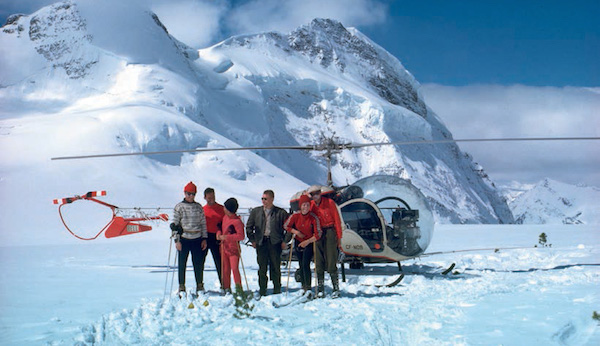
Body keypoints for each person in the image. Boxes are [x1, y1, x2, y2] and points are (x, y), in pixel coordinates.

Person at [246, 190, 290, 296]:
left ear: (272, 199)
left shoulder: (281, 212)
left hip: (275, 242)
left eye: (265, 199)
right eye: (262, 198)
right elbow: (249, 227)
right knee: (262, 267)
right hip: (261, 242)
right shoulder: (256, 212)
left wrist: (285, 241)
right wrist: (252, 240)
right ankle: (262, 289)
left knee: (275, 266)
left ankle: (277, 287)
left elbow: (289, 228)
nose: (263, 201)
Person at [170, 182, 208, 295]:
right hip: (184, 239)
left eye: (193, 194)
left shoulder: (198, 207)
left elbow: (203, 223)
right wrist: (177, 240)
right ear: (185, 193)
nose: (191, 196)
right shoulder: (179, 207)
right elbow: (175, 224)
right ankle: (182, 286)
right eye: (189, 194)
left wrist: (204, 238)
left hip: (197, 238)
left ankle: (199, 285)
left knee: (198, 263)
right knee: (182, 263)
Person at [308, 185, 343, 298]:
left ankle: (335, 287)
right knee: (318, 260)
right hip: (318, 232)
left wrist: (339, 237)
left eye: (317, 193)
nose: (315, 196)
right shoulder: (311, 205)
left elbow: (337, 220)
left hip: (329, 231)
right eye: (313, 194)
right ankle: (321, 287)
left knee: (331, 258)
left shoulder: (330, 203)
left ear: (320, 193)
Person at [284, 194, 321, 294]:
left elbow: (318, 234)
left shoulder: (313, 217)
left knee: (305, 264)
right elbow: (286, 226)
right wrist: (296, 232)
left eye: (307, 205)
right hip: (298, 241)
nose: (305, 207)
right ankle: (303, 285)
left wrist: (307, 241)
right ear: (300, 206)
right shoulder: (295, 216)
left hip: (309, 242)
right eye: (304, 205)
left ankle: (308, 287)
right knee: (301, 263)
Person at [216, 198, 245, 296]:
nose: (223, 209)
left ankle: (238, 288)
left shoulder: (237, 221)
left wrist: (227, 237)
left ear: (229, 209)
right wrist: (219, 234)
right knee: (225, 269)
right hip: (224, 248)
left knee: (234, 268)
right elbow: (220, 227)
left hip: (233, 249)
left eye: (225, 207)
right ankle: (226, 287)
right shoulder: (225, 218)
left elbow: (241, 236)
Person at [202, 187, 224, 288]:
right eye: (209, 197)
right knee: (200, 261)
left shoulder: (221, 209)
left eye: (213, 197)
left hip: (217, 238)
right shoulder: (202, 210)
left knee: (219, 262)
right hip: (205, 237)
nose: (212, 199)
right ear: (205, 198)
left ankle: (224, 284)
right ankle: (200, 285)